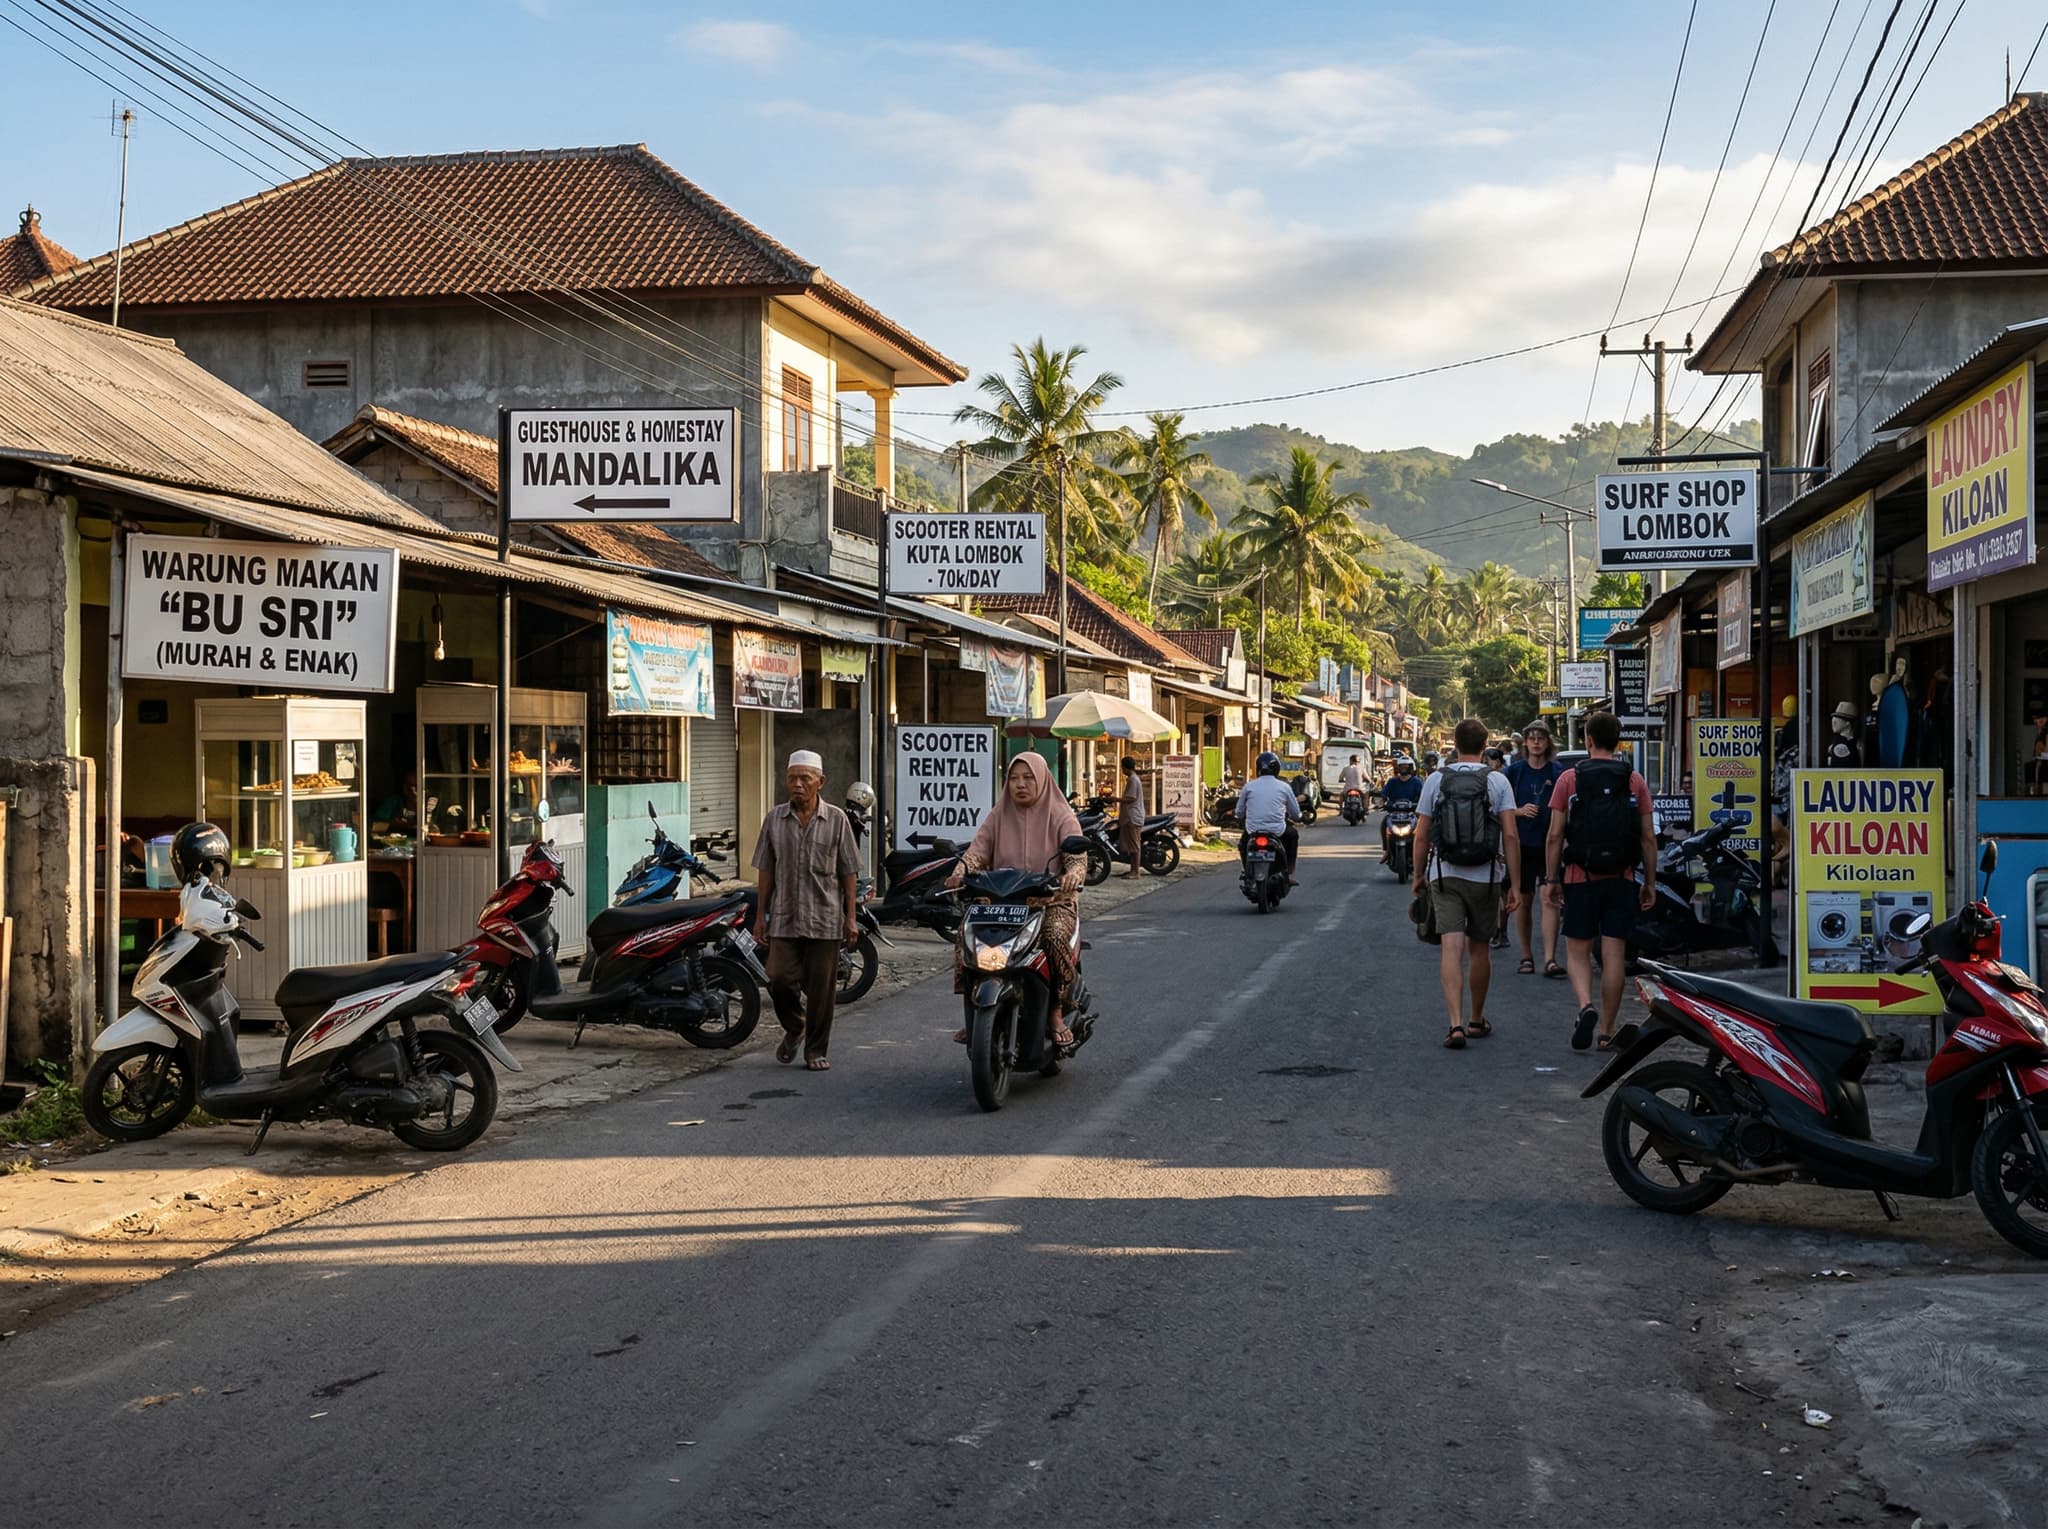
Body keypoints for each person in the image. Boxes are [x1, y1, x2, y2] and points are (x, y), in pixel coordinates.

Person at [947, 753, 1088, 1045]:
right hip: (1002, 902)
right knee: (966, 936)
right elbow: (977, 851)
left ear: (1042, 780)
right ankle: (975, 1011)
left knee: (1053, 938)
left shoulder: (1061, 814)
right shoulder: (998, 814)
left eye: (1028, 778)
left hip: (1050, 902)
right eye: (1014, 778)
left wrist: (1073, 873)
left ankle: (1056, 1009)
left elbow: (1076, 857)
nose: (1020, 785)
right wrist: (960, 871)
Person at [1543, 712, 1659, 1053]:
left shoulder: (1569, 779)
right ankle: (1607, 1030)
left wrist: (1552, 878)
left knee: (1577, 950)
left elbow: (1554, 835)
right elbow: (1648, 837)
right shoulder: (1634, 780)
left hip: (1580, 876)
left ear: (1587, 740)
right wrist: (1648, 881)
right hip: (1621, 877)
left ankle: (1585, 1006)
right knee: (1613, 954)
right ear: (1619, 741)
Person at [1413, 718, 1521, 1049]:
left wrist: (1418, 875)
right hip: (1487, 876)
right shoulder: (1498, 782)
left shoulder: (1436, 780)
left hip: (1445, 876)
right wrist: (1515, 885)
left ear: (1456, 745)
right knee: (1479, 949)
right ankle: (1476, 1019)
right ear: (1484, 744)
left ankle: (1455, 1024)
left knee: (1451, 948)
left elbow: (1420, 835)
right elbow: (1511, 835)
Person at [751, 750, 862, 1072]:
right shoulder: (774, 818)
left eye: (805, 779)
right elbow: (766, 869)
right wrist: (761, 916)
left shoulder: (837, 819)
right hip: (784, 916)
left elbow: (848, 871)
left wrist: (850, 917)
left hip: (825, 918)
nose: (797, 785)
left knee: (822, 991)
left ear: (820, 782)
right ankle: (795, 1025)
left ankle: (815, 1049)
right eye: (792, 778)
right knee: (778, 979)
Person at [1503, 719, 1566, 980]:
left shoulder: (1557, 772)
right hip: (1521, 846)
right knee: (1524, 901)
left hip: (1551, 846)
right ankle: (1526, 955)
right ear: (1525, 742)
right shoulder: (1514, 773)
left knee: (1549, 899)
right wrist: (1518, 811)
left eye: (1541, 738)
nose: (1537, 742)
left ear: (1547, 742)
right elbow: (1500, 809)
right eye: (1532, 738)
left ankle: (1550, 958)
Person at [1236, 750, 1302, 884]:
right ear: (1277, 768)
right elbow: (1295, 813)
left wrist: (1240, 816)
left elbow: (1239, 812)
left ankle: (1247, 871)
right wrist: (1299, 817)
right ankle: (1289, 872)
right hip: (1278, 830)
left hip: (1253, 830)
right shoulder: (1284, 787)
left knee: (1243, 844)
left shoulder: (1249, 786)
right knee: (1293, 835)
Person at [1116, 755, 1146, 879]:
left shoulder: (1133, 780)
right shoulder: (1133, 779)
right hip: (1131, 816)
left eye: (1122, 767)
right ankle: (1132, 869)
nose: (1122, 770)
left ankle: (1136, 872)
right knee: (1133, 845)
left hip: (1133, 817)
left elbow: (1131, 798)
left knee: (1135, 846)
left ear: (1126, 768)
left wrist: (1116, 799)